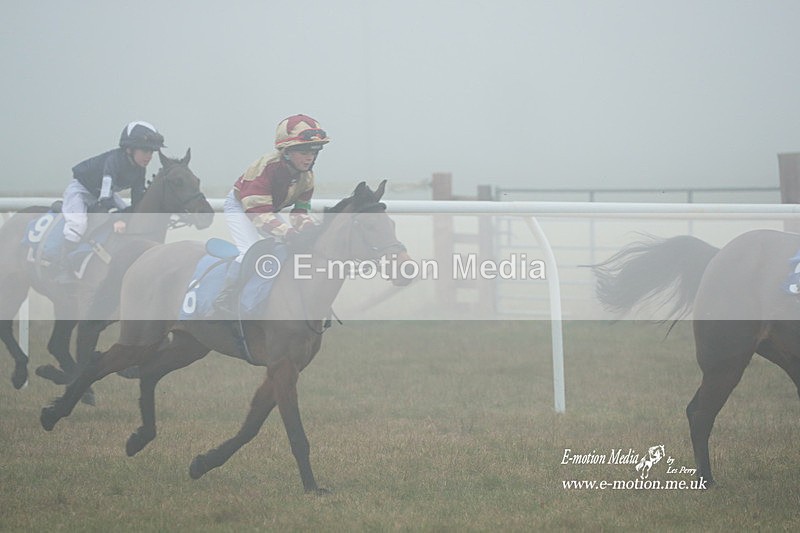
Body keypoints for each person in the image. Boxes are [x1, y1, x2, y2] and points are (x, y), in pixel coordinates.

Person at [214, 114, 330, 315]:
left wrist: (308, 229)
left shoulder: (307, 176)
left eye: (314, 151)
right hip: (243, 208)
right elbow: (257, 213)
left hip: (266, 210)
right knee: (250, 251)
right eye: (303, 151)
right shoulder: (265, 168)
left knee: (292, 250)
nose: (309, 157)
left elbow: (300, 212)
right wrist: (288, 232)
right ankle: (225, 299)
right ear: (286, 151)